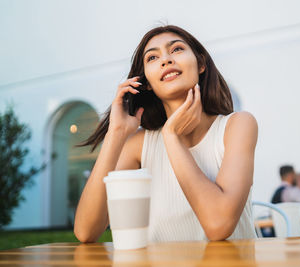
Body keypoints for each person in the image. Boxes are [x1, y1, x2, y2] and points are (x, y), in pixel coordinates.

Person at [73, 25, 258, 243]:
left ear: (200, 64)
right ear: (147, 84)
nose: (166, 59)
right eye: (152, 57)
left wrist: (171, 136)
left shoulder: (237, 126)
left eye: (177, 49)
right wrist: (116, 133)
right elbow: (86, 231)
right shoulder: (138, 144)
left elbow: (218, 225)